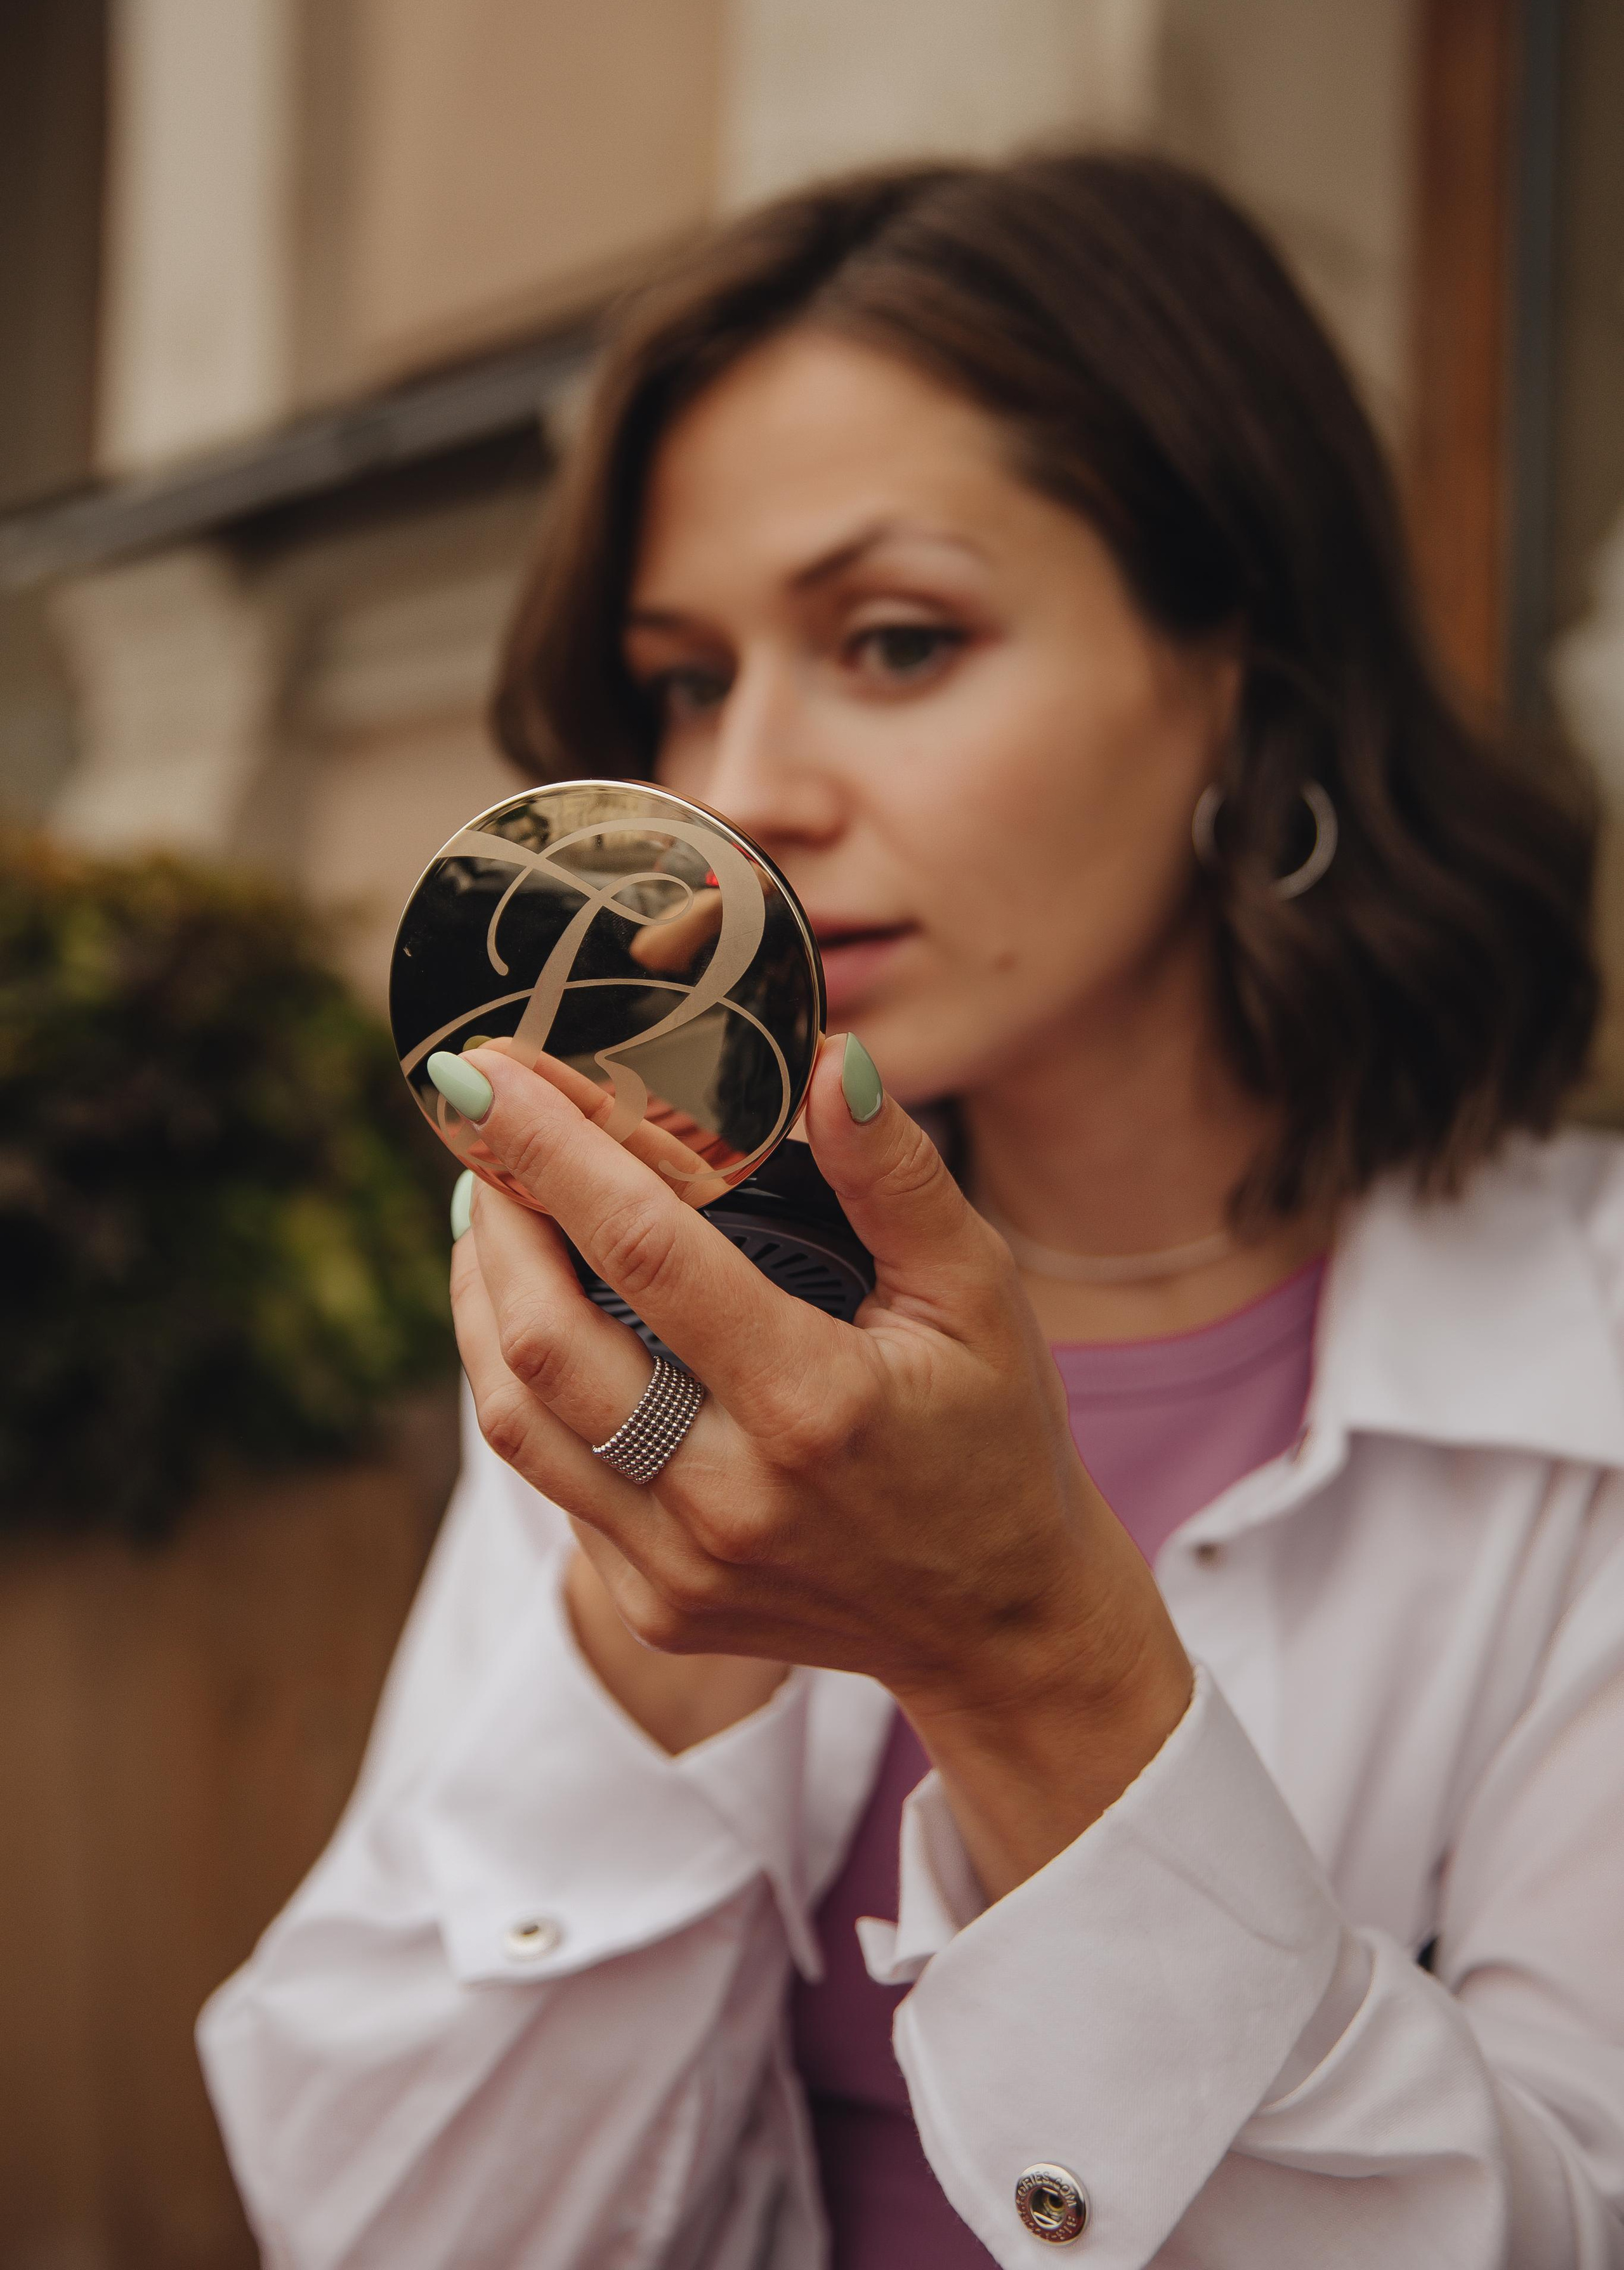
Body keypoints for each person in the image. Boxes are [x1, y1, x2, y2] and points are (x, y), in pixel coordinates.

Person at [199, 154, 1624, 2268]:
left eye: (895, 640)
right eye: (688, 679)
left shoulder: (1577, 1377)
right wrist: (649, 1611)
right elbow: (412, 2226)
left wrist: (1027, 1652)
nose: (748, 787)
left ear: (1236, 660)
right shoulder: (671, 1321)